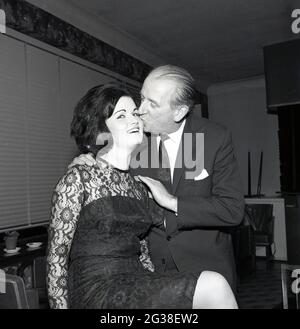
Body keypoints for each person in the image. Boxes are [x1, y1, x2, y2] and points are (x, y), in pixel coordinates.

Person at [46, 83, 238, 309]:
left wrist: (157, 285)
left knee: (212, 288)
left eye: (135, 113)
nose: (135, 119)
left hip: (135, 282)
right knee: (213, 285)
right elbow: (56, 260)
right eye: (121, 115)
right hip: (96, 289)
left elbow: (143, 251)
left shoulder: (137, 185)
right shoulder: (79, 178)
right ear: (99, 131)